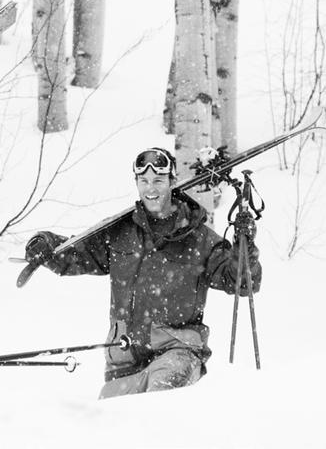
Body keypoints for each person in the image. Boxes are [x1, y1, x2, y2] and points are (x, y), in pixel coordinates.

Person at [24, 147, 261, 398]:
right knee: (110, 427)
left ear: (172, 182)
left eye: (158, 181)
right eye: (144, 181)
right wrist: (46, 245)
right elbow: (77, 255)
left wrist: (245, 247)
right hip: (123, 360)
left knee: (157, 405)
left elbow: (243, 282)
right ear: (136, 182)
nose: (151, 189)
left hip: (176, 352)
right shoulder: (121, 233)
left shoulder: (198, 238)